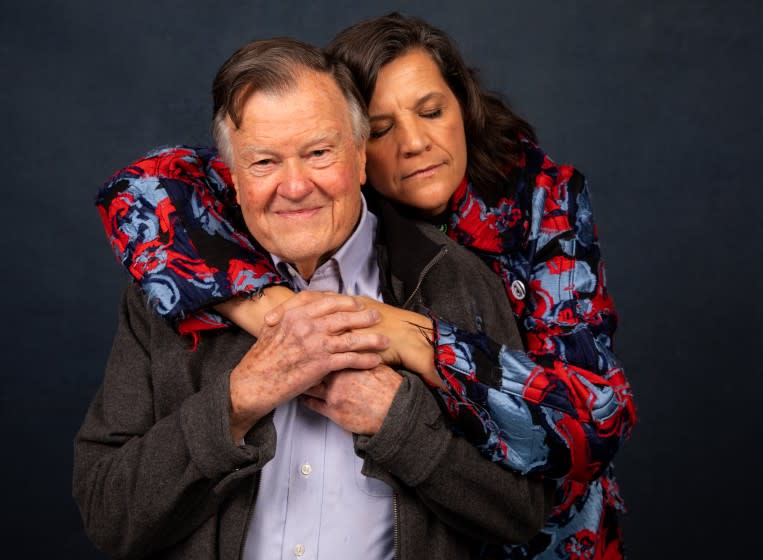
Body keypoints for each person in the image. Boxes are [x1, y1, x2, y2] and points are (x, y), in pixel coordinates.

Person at [92, 13, 637, 558]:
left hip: (560, 532)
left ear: (462, 107)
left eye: (431, 110)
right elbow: (141, 194)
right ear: (358, 147)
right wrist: (273, 316)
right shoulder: (270, 199)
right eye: (380, 129)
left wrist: (404, 335)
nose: (415, 143)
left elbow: (592, 418)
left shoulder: (531, 208)